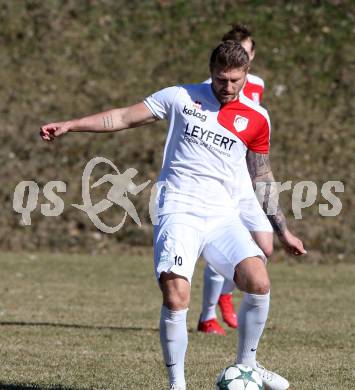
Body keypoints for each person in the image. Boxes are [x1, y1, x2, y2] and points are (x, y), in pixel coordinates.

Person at [41, 41, 299, 390]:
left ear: (247, 74)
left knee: (259, 280)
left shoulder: (257, 117)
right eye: (221, 79)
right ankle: (177, 386)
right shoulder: (180, 97)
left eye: (235, 80)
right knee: (176, 294)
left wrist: (282, 230)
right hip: (178, 209)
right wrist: (71, 125)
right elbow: (122, 117)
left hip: (222, 214)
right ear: (210, 72)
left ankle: (247, 367)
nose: (228, 87)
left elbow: (262, 175)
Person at [197, 24, 306, 336]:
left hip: (250, 179)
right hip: (223, 182)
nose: (229, 83)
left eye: (244, 52)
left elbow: (254, 130)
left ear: (251, 56)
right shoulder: (211, 87)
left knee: (265, 247)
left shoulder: (256, 85)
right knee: (223, 243)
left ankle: (226, 294)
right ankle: (208, 315)